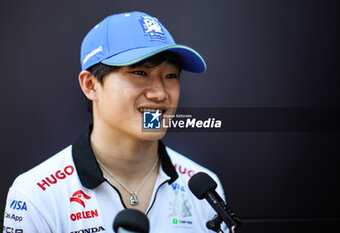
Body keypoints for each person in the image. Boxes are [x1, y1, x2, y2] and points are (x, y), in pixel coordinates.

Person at [3, 11, 228, 232]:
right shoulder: (36, 195)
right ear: (90, 85)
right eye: (140, 72)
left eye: (171, 76)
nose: (160, 93)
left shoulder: (204, 189)